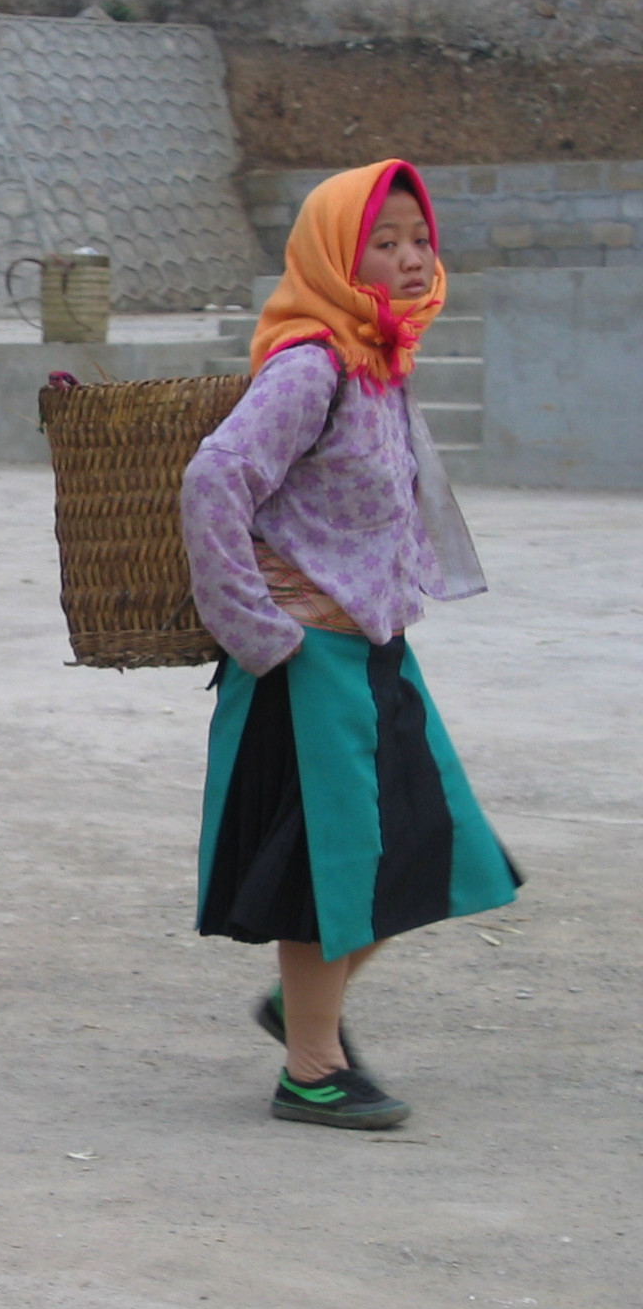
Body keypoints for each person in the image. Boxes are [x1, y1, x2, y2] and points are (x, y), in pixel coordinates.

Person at [182, 158, 520, 1130]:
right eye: (384, 240)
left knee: (435, 849)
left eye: (419, 238)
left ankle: (299, 1013)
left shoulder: (376, 358)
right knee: (333, 867)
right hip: (306, 664)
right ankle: (311, 1068)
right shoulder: (311, 365)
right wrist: (257, 629)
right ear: (337, 253)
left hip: (373, 646)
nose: (412, 258)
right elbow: (213, 481)